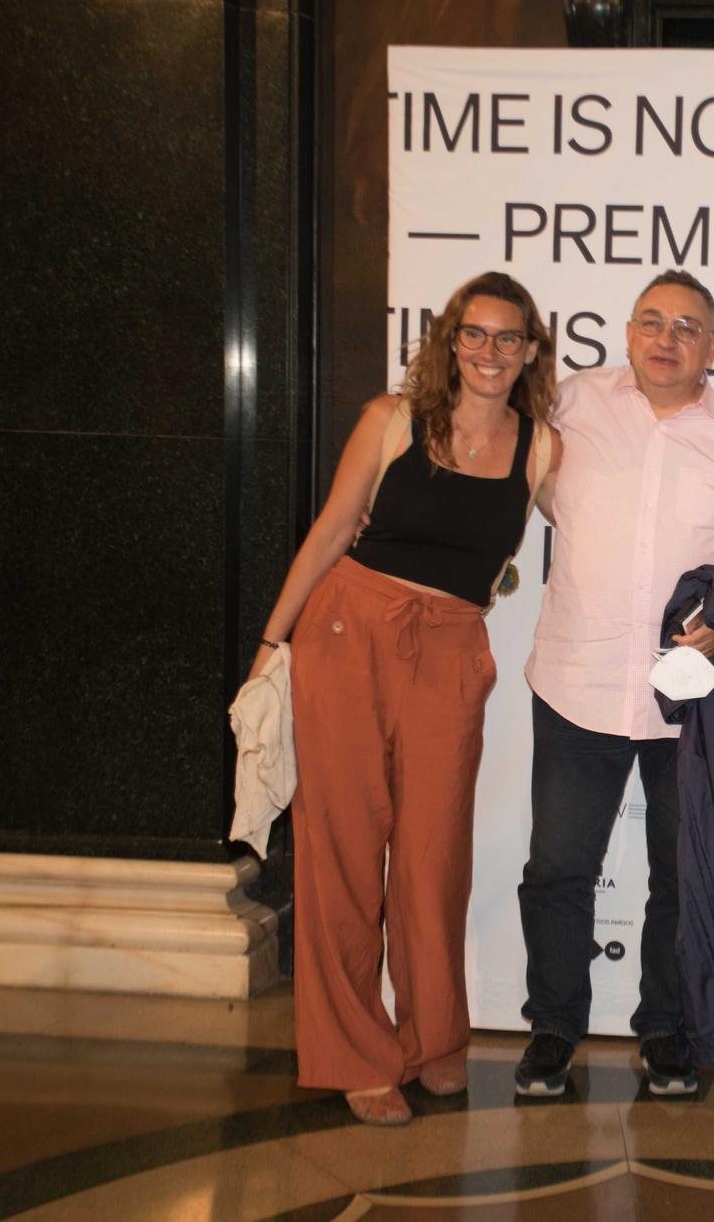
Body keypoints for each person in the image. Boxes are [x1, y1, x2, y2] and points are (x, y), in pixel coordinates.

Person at [252, 271, 561, 1125]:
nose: (490, 352)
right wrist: (270, 644)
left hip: (452, 648)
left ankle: (435, 1041)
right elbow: (329, 530)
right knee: (344, 849)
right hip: (348, 635)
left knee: (433, 859)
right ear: (450, 340)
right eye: (475, 333)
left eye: (508, 338)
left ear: (531, 350)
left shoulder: (542, 447)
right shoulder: (391, 421)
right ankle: (358, 1051)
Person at [515, 269, 714, 1099]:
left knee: (680, 875)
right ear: (628, 331)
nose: (665, 338)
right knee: (559, 867)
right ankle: (553, 1029)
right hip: (577, 678)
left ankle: (666, 1029)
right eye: (651, 321)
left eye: (686, 326)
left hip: (695, 698)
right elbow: (527, 486)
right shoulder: (573, 405)